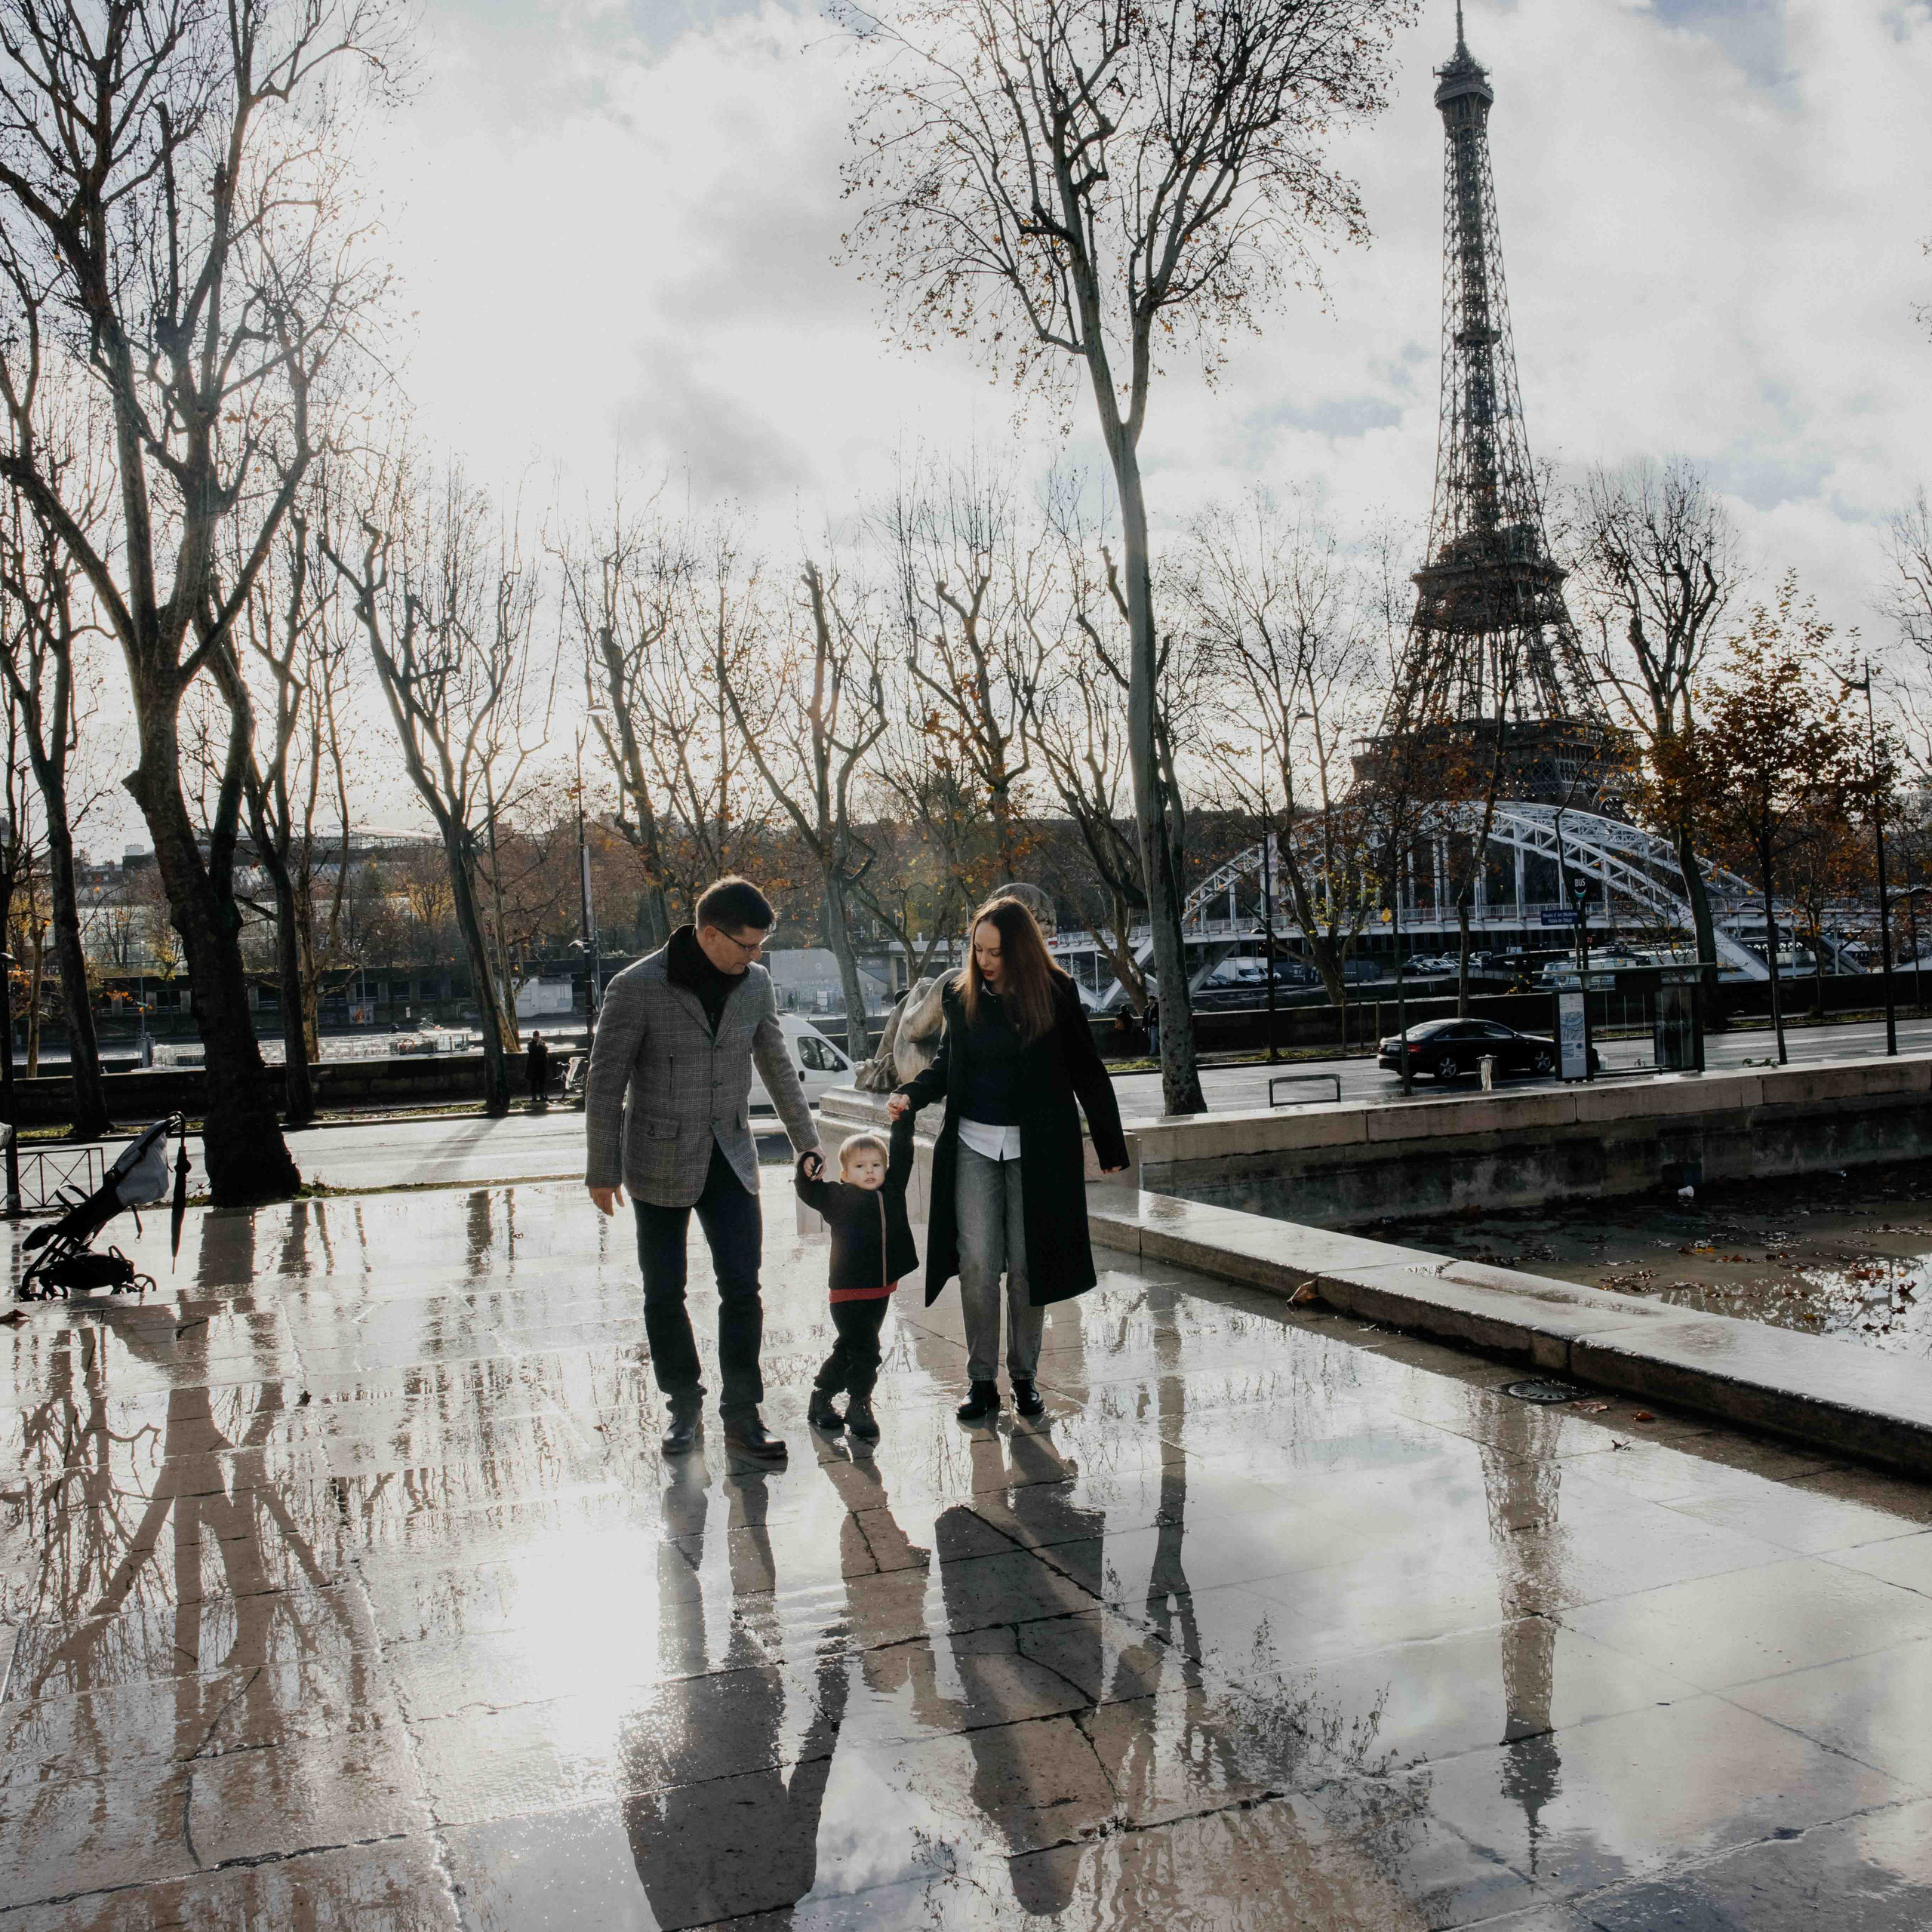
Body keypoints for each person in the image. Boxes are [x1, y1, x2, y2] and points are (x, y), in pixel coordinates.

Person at [584, 875, 820, 1463]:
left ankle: (743, 1414)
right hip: (657, 1157)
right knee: (664, 1292)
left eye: (760, 947)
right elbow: (604, 1083)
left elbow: (777, 1065)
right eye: (747, 945)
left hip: (733, 1158)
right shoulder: (635, 987)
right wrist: (601, 1168)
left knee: (743, 1288)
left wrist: (807, 1143)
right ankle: (682, 1407)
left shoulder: (756, 984)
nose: (756, 956)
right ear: (710, 934)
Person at [891, 894, 1129, 1423]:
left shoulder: (1058, 993)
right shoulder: (960, 996)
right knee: (977, 1264)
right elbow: (948, 1064)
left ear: (1021, 949)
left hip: (1037, 1150)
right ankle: (981, 1383)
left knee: (1027, 1267)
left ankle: (1024, 1379)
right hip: (974, 1144)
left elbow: (1087, 1071)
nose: (985, 961)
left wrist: (1110, 1145)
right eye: (979, 950)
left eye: (996, 951)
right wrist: (913, 1093)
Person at [792, 1114, 917, 1443]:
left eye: (876, 1165)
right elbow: (808, 1190)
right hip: (848, 1293)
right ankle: (859, 1404)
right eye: (860, 1167)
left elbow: (903, 1152)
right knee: (867, 1350)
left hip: (880, 1290)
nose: (870, 1171)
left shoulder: (891, 1190)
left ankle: (821, 1398)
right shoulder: (839, 1197)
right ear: (846, 1174)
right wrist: (806, 1165)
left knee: (850, 1348)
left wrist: (903, 1120)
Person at [525, 1029, 550, 1111]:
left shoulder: (543, 1043)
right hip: (533, 1066)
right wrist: (537, 1045)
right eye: (535, 1037)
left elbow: (546, 1050)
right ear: (533, 1037)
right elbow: (531, 1051)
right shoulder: (530, 1044)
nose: (536, 1038)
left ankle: (542, 1095)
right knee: (533, 1081)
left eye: (537, 1037)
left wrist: (542, 1045)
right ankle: (534, 1096)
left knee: (542, 1081)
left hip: (542, 1065)